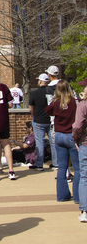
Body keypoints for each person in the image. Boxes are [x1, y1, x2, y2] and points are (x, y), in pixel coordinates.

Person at [45, 80, 79, 203]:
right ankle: (78, 196)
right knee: (77, 168)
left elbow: (47, 110)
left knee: (62, 167)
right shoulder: (74, 102)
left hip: (59, 135)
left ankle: (62, 195)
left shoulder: (55, 102)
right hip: (71, 135)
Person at [29, 74, 55, 170]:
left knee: (39, 142)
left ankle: (39, 164)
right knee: (53, 142)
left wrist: (33, 116)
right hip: (51, 119)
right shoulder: (51, 92)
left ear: (40, 81)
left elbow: (31, 107)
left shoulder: (35, 93)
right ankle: (56, 163)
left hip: (39, 120)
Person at [72, 77, 87, 222]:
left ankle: (85, 210)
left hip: (85, 144)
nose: (82, 89)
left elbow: (77, 126)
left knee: (85, 178)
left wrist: (75, 138)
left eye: (84, 87)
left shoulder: (83, 105)